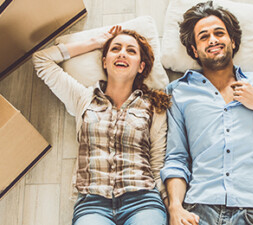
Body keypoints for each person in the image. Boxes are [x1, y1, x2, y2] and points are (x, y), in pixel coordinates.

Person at [160, 1, 253, 225]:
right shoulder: (179, 92)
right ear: (193, 50)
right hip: (198, 209)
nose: (213, 40)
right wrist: (175, 207)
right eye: (203, 36)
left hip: (252, 210)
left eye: (219, 33)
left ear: (233, 41)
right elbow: (177, 157)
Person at [33, 26, 170, 225]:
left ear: (141, 66)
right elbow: (41, 60)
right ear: (105, 62)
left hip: (143, 201)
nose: (122, 53)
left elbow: (157, 164)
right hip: (92, 205)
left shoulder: (154, 107)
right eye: (115, 49)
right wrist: (96, 42)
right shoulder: (83, 98)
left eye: (131, 51)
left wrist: (172, 207)